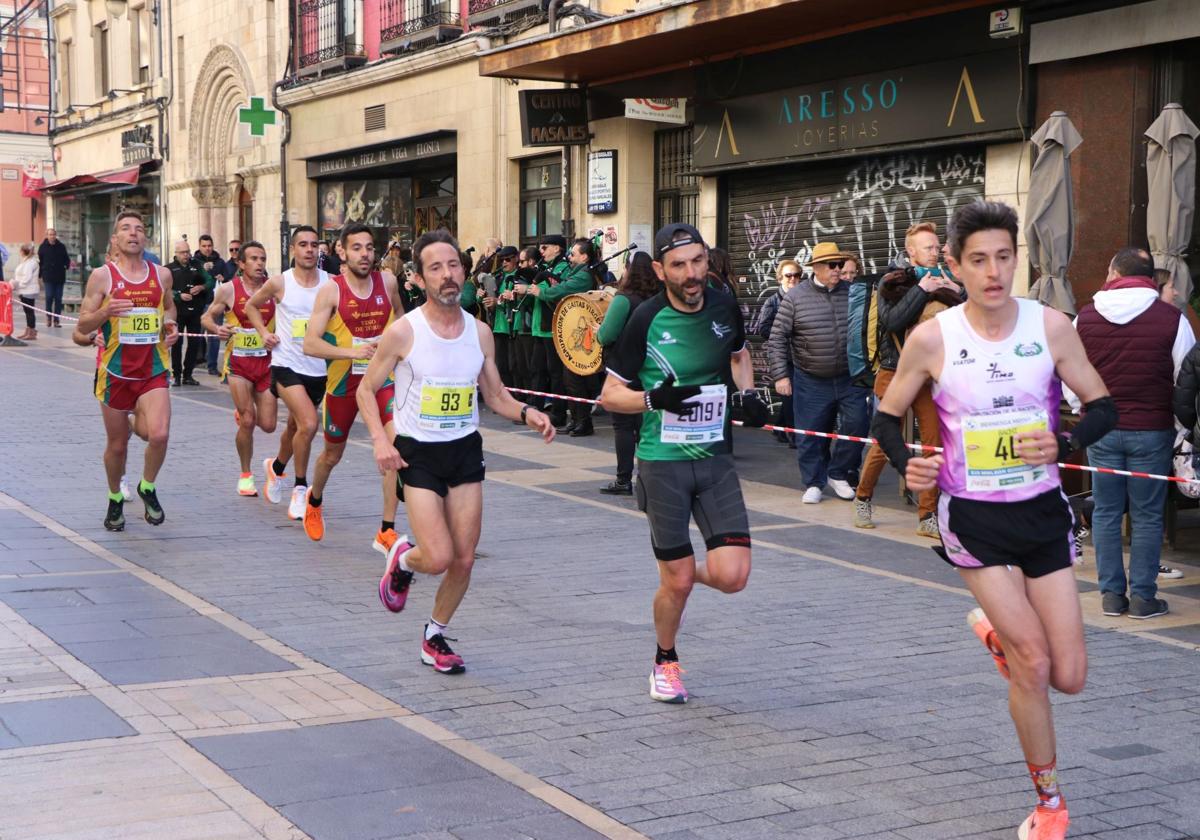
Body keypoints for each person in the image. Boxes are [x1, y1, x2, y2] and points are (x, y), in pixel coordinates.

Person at [870, 200, 1116, 840]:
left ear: (1016, 258)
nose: (993, 271)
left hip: (1041, 514)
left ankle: (993, 634)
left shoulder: (1052, 325)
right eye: (978, 259)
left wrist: (1064, 444)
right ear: (954, 264)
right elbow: (885, 416)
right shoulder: (933, 337)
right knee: (1032, 662)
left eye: (1004, 257)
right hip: (973, 517)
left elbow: (1102, 407)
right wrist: (908, 464)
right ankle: (1050, 805)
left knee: (1071, 677)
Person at [362, 229, 555, 674]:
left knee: (464, 558)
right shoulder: (403, 332)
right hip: (419, 453)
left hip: (465, 450)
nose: (447, 275)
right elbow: (367, 390)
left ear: (464, 271)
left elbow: (496, 394)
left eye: (453, 266)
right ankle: (404, 558)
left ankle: (435, 635)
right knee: (439, 556)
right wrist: (378, 440)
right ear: (419, 277)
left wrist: (529, 414)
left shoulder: (480, 332)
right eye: (435, 268)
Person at [600, 223, 769, 704]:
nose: (692, 273)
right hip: (661, 462)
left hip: (714, 458)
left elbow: (738, 357)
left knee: (733, 576)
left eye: (698, 261)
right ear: (660, 270)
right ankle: (665, 660)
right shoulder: (645, 319)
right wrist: (656, 398)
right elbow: (610, 395)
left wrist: (749, 393)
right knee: (677, 583)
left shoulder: (723, 302)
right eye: (679, 265)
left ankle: (680, 570)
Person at [1071, 247, 1194, 618]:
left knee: (1106, 512)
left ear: (1112, 272)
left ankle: (1111, 595)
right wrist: (1180, 427)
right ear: (1151, 279)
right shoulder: (1172, 319)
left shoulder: (1085, 317)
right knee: (1148, 515)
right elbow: (1184, 379)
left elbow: (1070, 372)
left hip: (1101, 430)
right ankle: (1143, 598)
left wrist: (1083, 411)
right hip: (1152, 429)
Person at [301, 223, 406, 550]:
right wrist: (352, 352)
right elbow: (310, 344)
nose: (365, 254)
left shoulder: (387, 282)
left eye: (370, 247)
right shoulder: (331, 290)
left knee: (395, 450)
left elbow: (404, 323)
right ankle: (314, 499)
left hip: (383, 382)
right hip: (344, 385)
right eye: (357, 248)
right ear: (342, 253)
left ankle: (386, 530)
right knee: (331, 455)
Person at [855, 222, 964, 535]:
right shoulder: (893, 281)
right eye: (928, 247)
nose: (935, 252)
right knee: (886, 442)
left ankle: (927, 515)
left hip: (930, 377)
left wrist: (957, 292)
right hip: (896, 371)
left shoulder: (944, 279)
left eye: (936, 246)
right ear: (911, 252)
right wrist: (921, 291)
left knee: (934, 443)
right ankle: (863, 496)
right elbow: (892, 320)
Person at [76, 211, 179, 531]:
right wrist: (106, 311)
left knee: (158, 434)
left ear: (145, 237)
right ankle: (114, 498)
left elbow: (169, 305)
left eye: (138, 229)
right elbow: (82, 325)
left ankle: (147, 487)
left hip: (153, 369)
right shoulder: (102, 276)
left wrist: (170, 324)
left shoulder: (161, 275)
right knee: (117, 446)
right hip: (116, 372)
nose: (133, 233)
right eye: (125, 229)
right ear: (115, 239)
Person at [767, 242, 870, 504]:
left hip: (850, 377)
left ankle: (837, 472)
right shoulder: (796, 297)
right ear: (817, 268)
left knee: (857, 425)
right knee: (810, 433)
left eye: (840, 265)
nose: (838, 270)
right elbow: (777, 337)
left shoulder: (855, 293)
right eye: (833, 265)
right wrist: (780, 375)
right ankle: (813, 482)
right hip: (810, 379)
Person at [245, 225, 333, 520]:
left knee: (296, 429)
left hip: (319, 369)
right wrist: (262, 333)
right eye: (303, 244)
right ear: (292, 250)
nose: (309, 249)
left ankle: (277, 467)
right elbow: (251, 306)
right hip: (286, 365)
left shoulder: (331, 283)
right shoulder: (280, 282)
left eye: (314, 244)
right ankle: (299, 487)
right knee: (309, 425)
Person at [200, 241, 282, 497]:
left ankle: (249, 421)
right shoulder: (228, 290)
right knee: (248, 420)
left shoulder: (275, 289)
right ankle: (246, 475)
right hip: (239, 364)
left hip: (267, 364)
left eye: (263, 259)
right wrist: (217, 328)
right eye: (254, 259)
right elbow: (206, 318)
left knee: (268, 425)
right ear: (242, 264)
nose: (259, 264)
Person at [515, 238, 598, 436]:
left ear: (585, 257)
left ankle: (583, 421)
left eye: (574, 254)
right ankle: (577, 419)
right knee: (568, 378)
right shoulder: (574, 272)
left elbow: (560, 291)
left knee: (573, 378)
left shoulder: (583, 275)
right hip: (570, 329)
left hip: (579, 331)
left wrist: (541, 291)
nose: (570, 256)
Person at [595, 251, 659, 494]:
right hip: (653, 367)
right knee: (647, 424)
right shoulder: (659, 298)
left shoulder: (624, 299)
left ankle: (623, 480)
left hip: (625, 371)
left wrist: (599, 330)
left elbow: (607, 335)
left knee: (623, 425)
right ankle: (649, 477)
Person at [753, 260, 803, 446]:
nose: (793, 279)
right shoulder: (772, 302)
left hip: (803, 357)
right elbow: (763, 329)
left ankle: (780, 428)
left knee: (795, 395)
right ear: (780, 278)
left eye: (797, 275)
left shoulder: (804, 298)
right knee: (790, 397)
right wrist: (783, 333)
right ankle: (794, 435)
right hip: (784, 357)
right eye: (788, 275)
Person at [529, 234, 570, 426]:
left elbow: (557, 290)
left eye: (545, 248)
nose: (541, 252)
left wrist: (537, 287)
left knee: (555, 372)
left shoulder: (562, 267)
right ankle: (534, 407)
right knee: (537, 368)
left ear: (557, 248)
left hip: (552, 328)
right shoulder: (544, 267)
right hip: (539, 326)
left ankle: (558, 412)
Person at [168, 240, 211, 386]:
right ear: (176, 253)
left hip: (195, 311)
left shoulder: (197, 265)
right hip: (177, 311)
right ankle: (177, 375)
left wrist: (201, 287)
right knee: (176, 343)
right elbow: (164, 289)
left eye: (188, 252)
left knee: (194, 343)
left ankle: (188, 375)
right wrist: (178, 295)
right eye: (183, 253)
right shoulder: (169, 269)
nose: (186, 255)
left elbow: (210, 281)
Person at [192, 235, 229, 376]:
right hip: (198, 303)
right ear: (199, 246)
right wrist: (202, 268)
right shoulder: (194, 262)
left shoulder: (220, 262)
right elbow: (191, 278)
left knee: (214, 335)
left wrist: (222, 278)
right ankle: (197, 360)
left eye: (209, 246)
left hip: (215, 303)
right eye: (204, 246)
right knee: (197, 334)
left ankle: (212, 365)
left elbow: (227, 280)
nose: (207, 249)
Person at [490, 246, 521, 388]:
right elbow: (494, 298)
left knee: (514, 366)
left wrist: (498, 301)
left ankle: (516, 398)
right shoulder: (499, 276)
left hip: (512, 326)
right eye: (502, 260)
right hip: (498, 325)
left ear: (516, 258)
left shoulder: (519, 276)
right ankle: (506, 397)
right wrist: (483, 297)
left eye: (507, 259)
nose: (504, 263)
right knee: (501, 365)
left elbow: (515, 299)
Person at [37, 227, 70, 328]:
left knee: (58, 298)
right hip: (48, 276)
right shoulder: (42, 247)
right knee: (49, 296)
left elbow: (66, 259)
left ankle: (56, 320)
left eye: (53, 235)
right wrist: (40, 275)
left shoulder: (61, 246)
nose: (52, 237)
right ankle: (48, 317)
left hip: (59, 276)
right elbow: (40, 261)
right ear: (47, 236)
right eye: (50, 235)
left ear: (56, 236)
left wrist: (66, 265)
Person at [13, 243, 40, 341]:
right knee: (27, 311)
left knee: (29, 312)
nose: (19, 252)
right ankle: (28, 330)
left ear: (24, 252)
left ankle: (32, 331)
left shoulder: (31, 263)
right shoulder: (26, 261)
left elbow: (26, 278)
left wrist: (17, 285)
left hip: (29, 290)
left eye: (20, 250)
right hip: (24, 290)